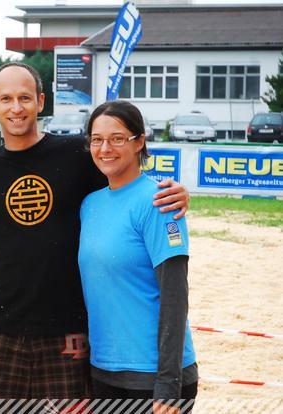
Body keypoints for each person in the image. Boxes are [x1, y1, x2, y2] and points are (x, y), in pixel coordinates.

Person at [0, 62, 189, 410]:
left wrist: (176, 191)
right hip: (2, 324)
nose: (16, 107)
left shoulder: (76, 154)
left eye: (25, 97)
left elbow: (125, 179)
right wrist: (2, 228)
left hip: (68, 329)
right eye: (6, 98)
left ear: (41, 101)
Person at [78, 100, 198, 413]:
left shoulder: (160, 201)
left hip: (154, 377)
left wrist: (168, 383)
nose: (105, 148)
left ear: (139, 141)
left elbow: (175, 295)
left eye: (117, 138)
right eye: (97, 139)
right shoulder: (90, 204)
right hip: (103, 370)